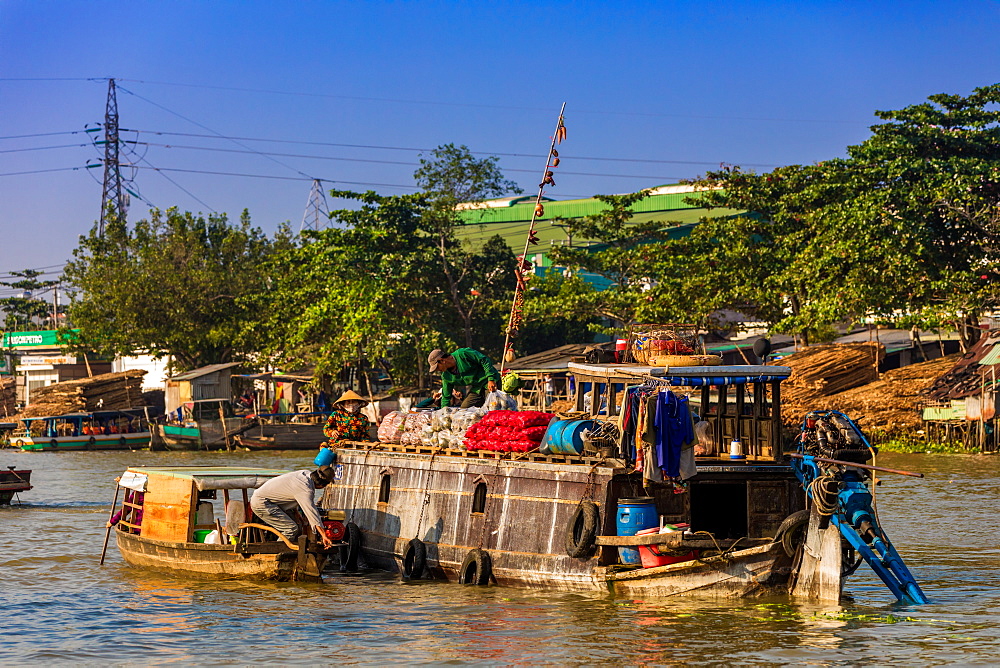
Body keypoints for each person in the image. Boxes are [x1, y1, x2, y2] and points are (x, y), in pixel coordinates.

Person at [249, 466, 335, 548]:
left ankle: (295, 550)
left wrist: (296, 513)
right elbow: (313, 514)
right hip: (262, 503)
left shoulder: (305, 473)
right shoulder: (305, 489)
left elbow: (289, 492)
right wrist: (324, 535)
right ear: (322, 485)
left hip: (274, 502)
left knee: (298, 524)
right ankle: (276, 553)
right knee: (290, 529)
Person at [428, 348, 501, 409]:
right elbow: (446, 397)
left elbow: (484, 360)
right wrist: (444, 412)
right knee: (464, 409)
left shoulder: (463, 354)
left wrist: (491, 379)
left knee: (493, 407)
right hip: (477, 388)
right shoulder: (446, 376)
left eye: (437, 367)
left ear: (442, 360)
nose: (437, 370)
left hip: (490, 382)